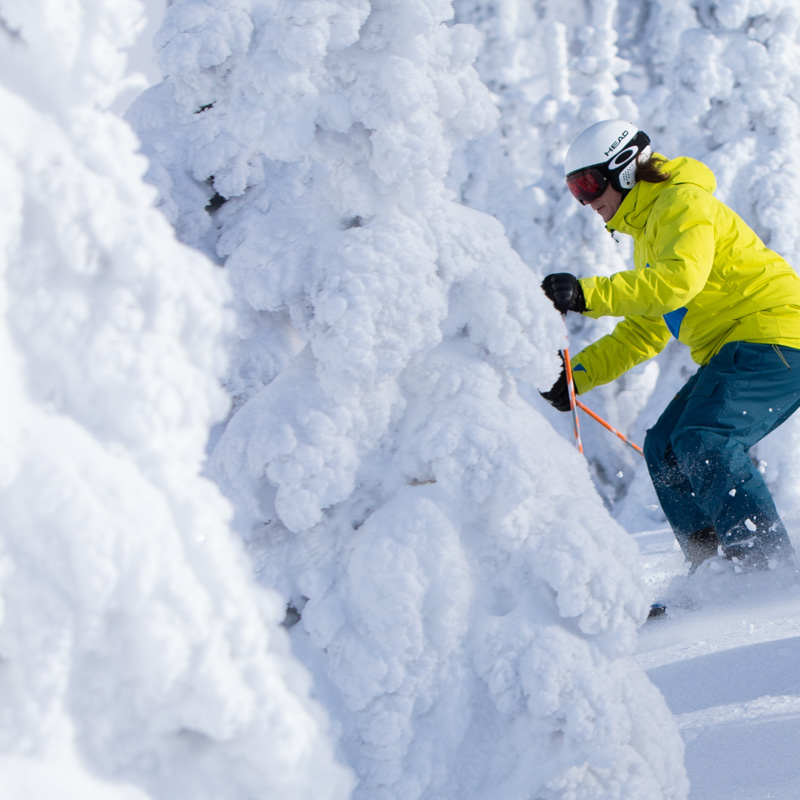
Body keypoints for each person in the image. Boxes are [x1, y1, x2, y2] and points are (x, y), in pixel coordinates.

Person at [541, 119, 800, 574]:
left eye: (587, 184)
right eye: (574, 190)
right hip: (742, 348)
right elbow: (645, 331)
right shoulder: (650, 237)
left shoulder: (683, 202)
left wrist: (586, 294)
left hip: (776, 337)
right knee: (665, 446)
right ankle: (711, 569)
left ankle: (763, 568)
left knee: (704, 437)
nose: (586, 201)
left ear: (623, 168)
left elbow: (678, 283)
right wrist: (574, 376)